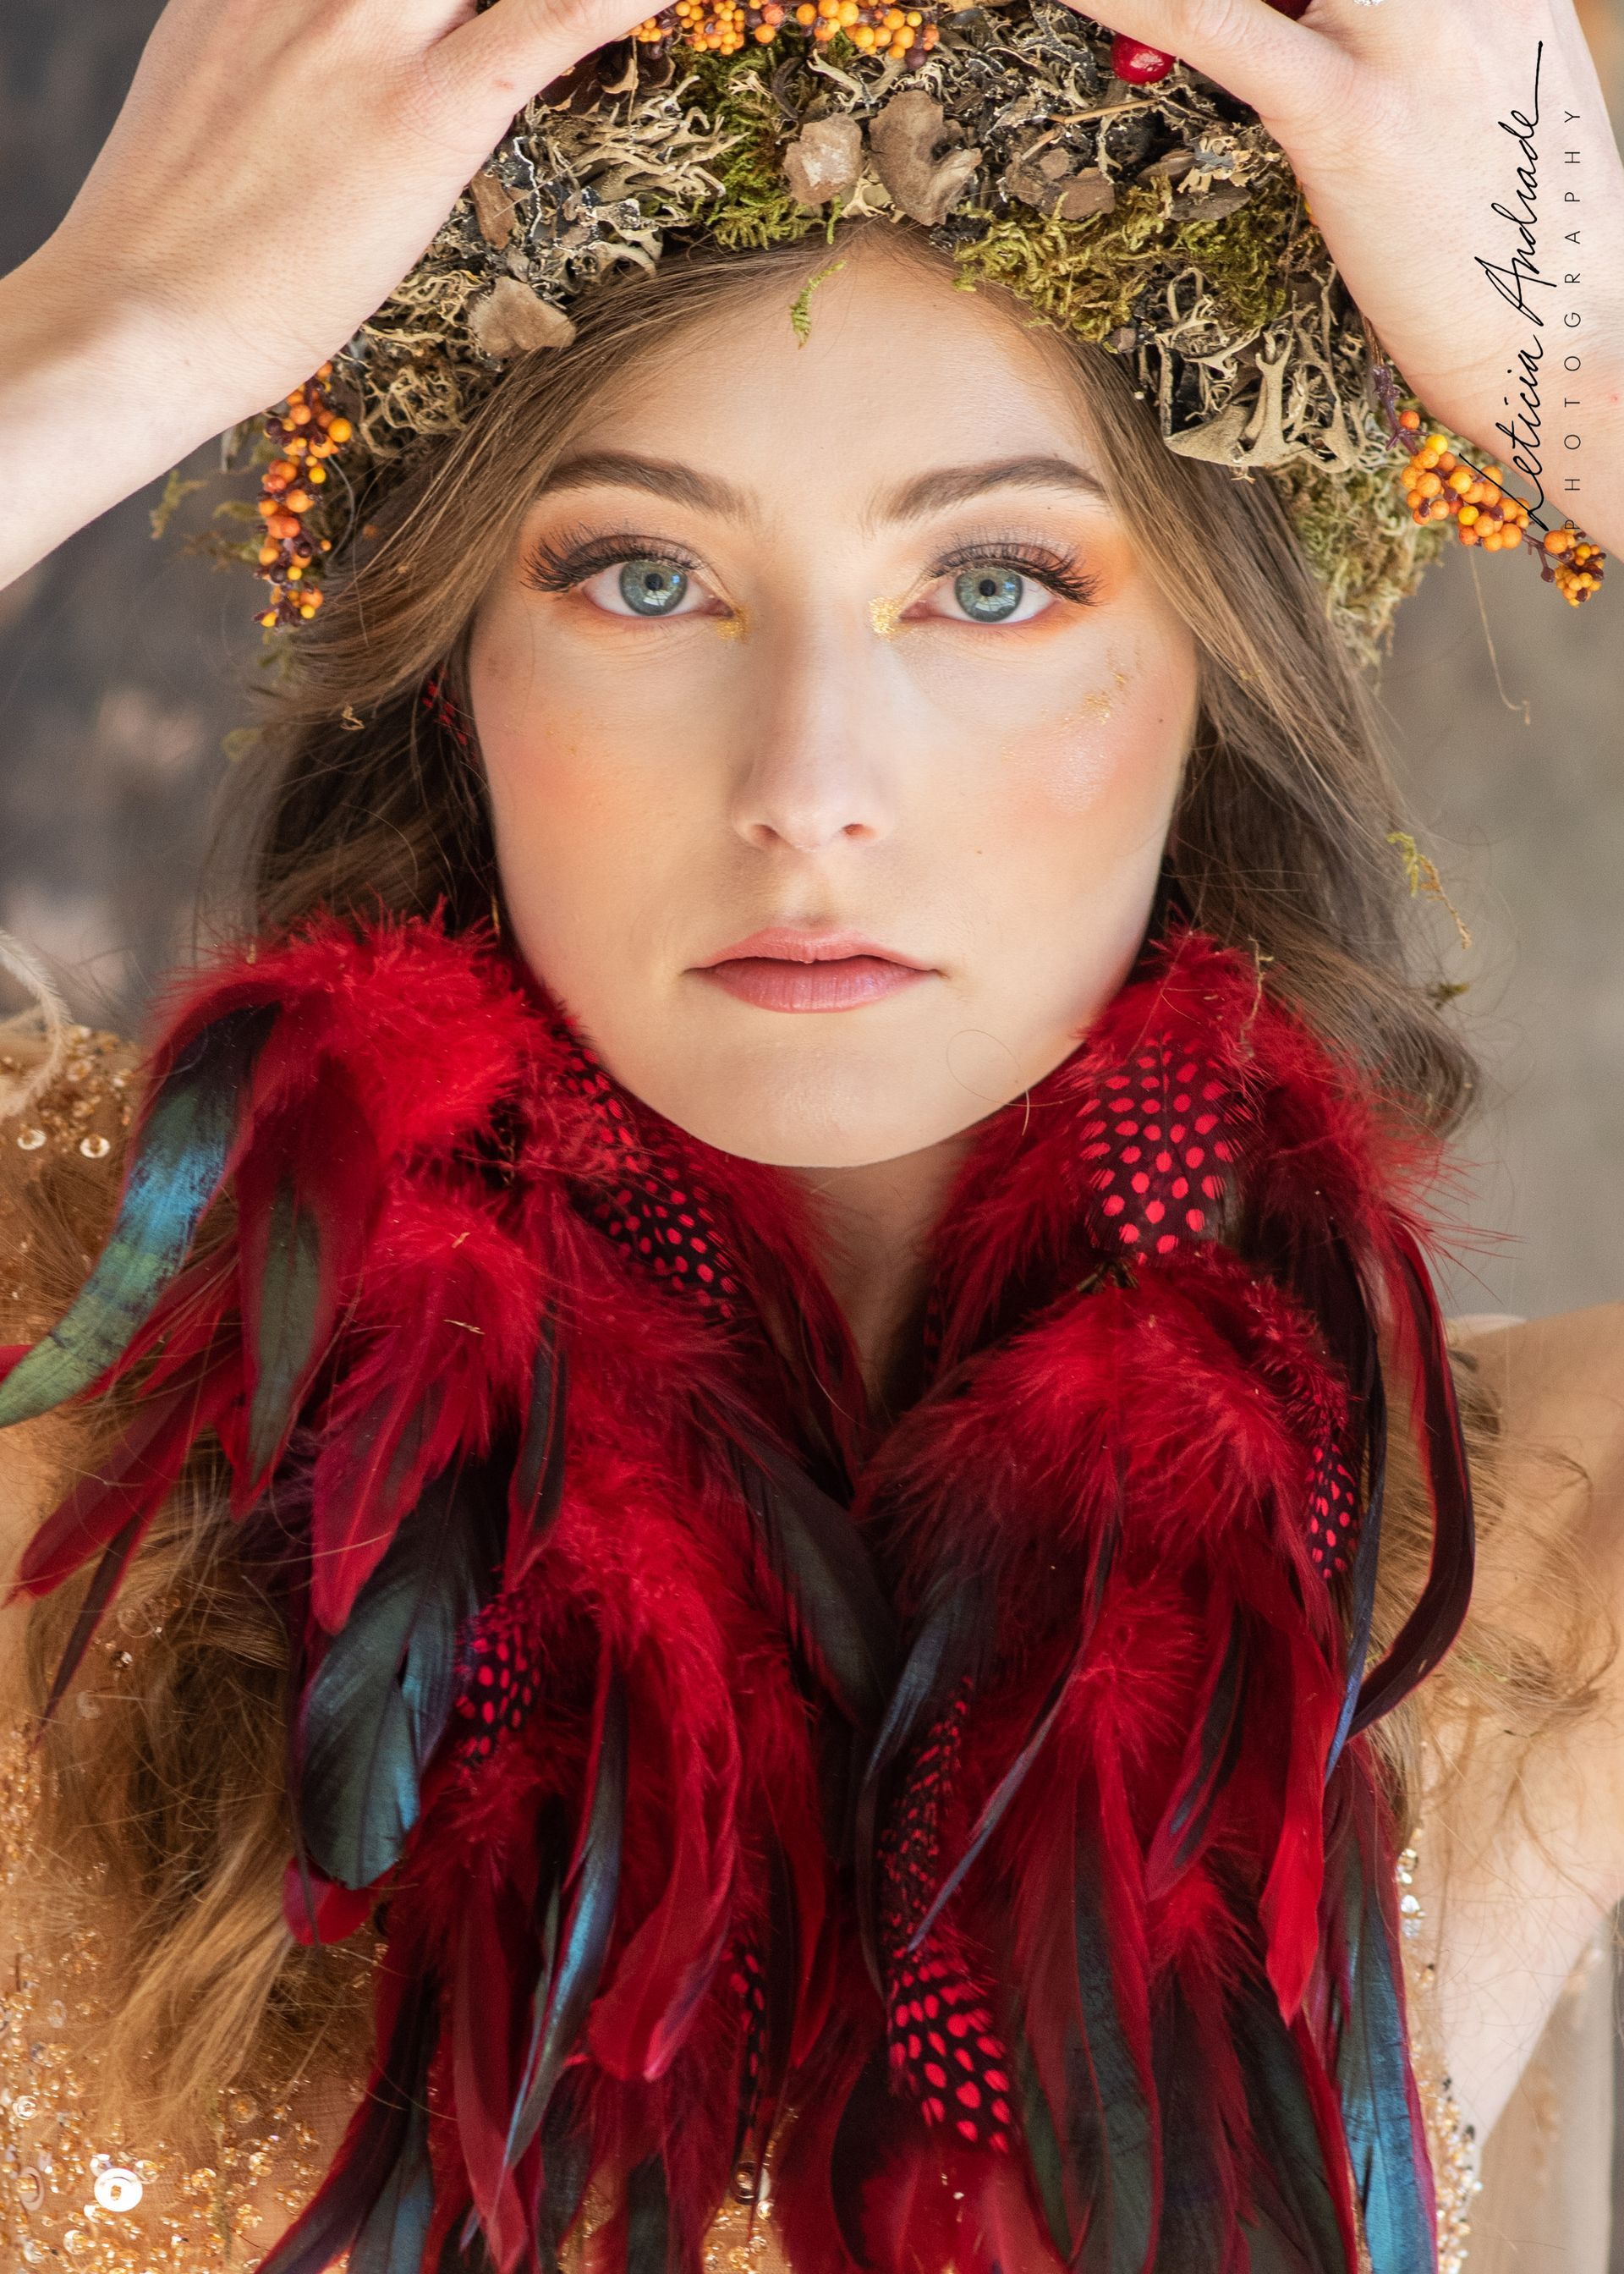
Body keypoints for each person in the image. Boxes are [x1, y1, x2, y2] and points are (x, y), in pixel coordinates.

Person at [2, 0, 1624, 2269]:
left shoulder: (1511, 1566)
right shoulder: (67, 1390)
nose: (809, 783)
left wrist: (1588, 362)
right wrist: (107, 334)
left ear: (1216, 680)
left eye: (996, 583)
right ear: (458, 670)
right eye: (643, 577)